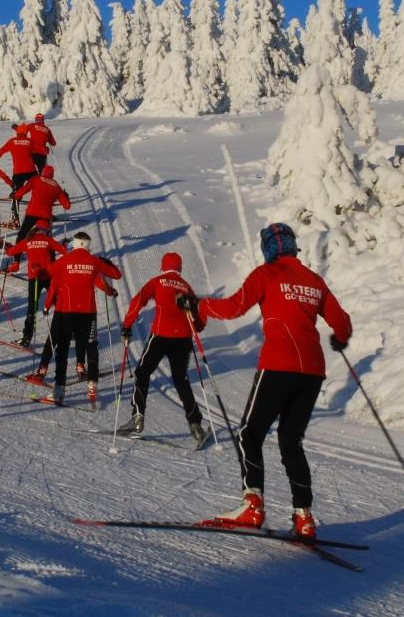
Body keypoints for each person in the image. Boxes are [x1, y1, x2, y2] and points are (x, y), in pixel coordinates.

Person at [178, 222, 352, 540]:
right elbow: (341, 321)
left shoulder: (266, 275)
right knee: (290, 441)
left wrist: (200, 305)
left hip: (278, 364)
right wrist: (341, 338)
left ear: (269, 248)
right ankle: (304, 516)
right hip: (312, 371)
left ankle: (253, 504)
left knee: (250, 433)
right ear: (293, 246)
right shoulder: (314, 280)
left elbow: (233, 308)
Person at [117, 252, 210, 446]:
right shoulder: (185, 286)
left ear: (163, 266)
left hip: (161, 334)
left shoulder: (158, 281)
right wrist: (198, 326)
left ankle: (137, 418)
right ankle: (196, 426)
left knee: (143, 372)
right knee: (180, 379)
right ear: (180, 267)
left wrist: (127, 324)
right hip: (183, 338)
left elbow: (139, 300)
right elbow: (198, 318)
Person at [38, 231, 121, 405]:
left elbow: (51, 271)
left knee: (63, 349)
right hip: (88, 312)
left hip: (66, 311)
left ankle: (59, 390)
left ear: (75, 244)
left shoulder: (66, 259)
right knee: (91, 346)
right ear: (88, 245)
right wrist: (106, 262)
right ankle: (92, 383)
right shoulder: (94, 261)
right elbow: (116, 274)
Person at [4, 227, 67, 347]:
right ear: (44, 232)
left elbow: (12, 252)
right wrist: (64, 243)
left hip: (35, 277)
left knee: (32, 307)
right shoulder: (47, 239)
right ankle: (69, 331)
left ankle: (27, 337)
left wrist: (6, 247)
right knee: (58, 302)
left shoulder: (27, 240)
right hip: (49, 276)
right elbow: (63, 251)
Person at [12, 164, 71, 242]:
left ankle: (17, 253)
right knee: (45, 238)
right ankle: (47, 252)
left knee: (22, 234)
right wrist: (66, 197)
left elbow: (25, 189)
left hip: (32, 212)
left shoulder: (36, 179)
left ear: (43, 172)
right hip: (45, 215)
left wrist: (15, 195)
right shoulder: (57, 186)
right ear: (52, 175)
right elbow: (67, 206)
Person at [0, 124, 37, 226]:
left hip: (18, 172)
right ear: (26, 133)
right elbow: (41, 151)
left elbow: (0, 151)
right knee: (38, 189)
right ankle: (41, 212)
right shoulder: (30, 141)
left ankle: (15, 218)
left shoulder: (12, 141)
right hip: (31, 170)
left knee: (16, 194)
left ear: (17, 132)